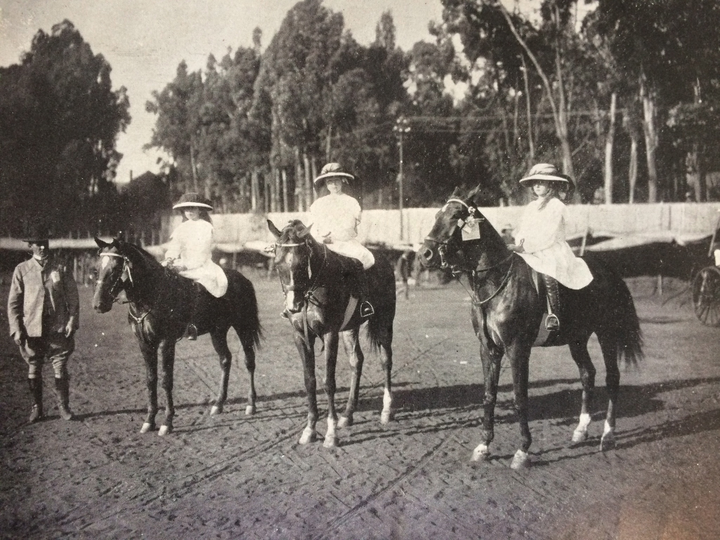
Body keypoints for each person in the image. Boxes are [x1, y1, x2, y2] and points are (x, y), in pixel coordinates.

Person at [7, 223, 79, 422]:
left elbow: (73, 297)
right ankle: (37, 407)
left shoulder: (60, 267)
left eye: (44, 243)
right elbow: (13, 304)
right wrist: (16, 329)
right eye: (37, 244)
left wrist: (73, 320)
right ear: (30, 246)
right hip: (32, 328)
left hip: (58, 327)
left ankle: (63, 406)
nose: (42, 247)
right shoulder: (21, 270)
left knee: (60, 367)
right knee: (34, 366)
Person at [510, 163, 593, 332]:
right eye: (535, 182)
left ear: (551, 185)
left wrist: (526, 248)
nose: (538, 185)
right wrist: (520, 244)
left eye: (542, 181)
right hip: (530, 248)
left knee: (547, 269)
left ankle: (553, 313)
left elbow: (550, 234)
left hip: (551, 249)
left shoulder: (557, 206)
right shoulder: (531, 206)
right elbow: (523, 229)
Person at [308, 162, 375, 318]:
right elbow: (312, 226)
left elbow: (350, 227)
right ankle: (299, 303)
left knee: (359, 260)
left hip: (344, 243)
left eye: (337, 180)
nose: (334, 184)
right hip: (322, 244)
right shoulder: (318, 204)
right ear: (326, 183)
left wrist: (335, 237)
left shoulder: (351, 202)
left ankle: (364, 302)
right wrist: (321, 238)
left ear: (342, 182)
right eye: (330, 181)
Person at [163, 193, 228, 340]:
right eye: (186, 209)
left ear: (200, 210)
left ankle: (195, 322)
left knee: (202, 283)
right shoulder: (181, 228)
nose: (189, 211)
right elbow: (175, 247)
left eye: (193, 208)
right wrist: (171, 259)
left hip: (200, 264)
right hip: (182, 263)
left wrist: (186, 266)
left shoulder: (206, 227)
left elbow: (202, 252)